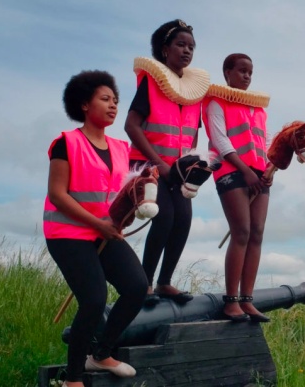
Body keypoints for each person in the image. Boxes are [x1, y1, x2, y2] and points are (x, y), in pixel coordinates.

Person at [44, 70, 147, 387]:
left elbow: (126, 191)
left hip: (104, 232)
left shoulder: (121, 148)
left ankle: (101, 355)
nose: (113, 105)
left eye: (116, 100)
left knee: (136, 287)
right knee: (93, 299)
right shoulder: (66, 143)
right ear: (84, 104)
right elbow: (57, 195)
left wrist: (142, 190)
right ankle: (73, 378)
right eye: (105, 99)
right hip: (68, 234)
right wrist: (97, 224)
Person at [124, 19, 210, 305]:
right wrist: (157, 162)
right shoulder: (151, 83)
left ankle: (164, 282)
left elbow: (193, 136)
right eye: (180, 45)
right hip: (149, 165)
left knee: (183, 220)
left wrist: (192, 168)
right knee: (164, 217)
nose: (187, 51)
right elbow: (132, 126)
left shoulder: (194, 93)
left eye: (191, 47)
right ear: (165, 50)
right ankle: (144, 284)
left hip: (179, 171)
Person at [203, 53, 272, 322]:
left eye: (250, 72)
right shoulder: (216, 103)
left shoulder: (259, 110)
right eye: (241, 71)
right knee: (241, 231)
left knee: (257, 231)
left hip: (259, 173)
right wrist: (244, 169)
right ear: (227, 73)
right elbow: (219, 139)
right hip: (232, 171)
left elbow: (265, 141)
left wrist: (267, 168)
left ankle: (247, 299)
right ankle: (231, 301)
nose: (247, 76)